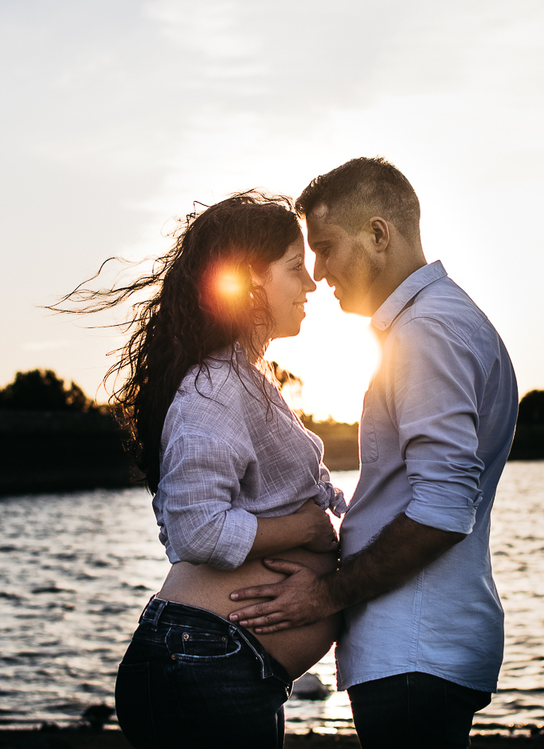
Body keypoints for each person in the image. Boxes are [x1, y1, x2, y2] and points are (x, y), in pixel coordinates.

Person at [228, 158, 519, 749]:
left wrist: (325, 594)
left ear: (379, 234)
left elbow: (443, 508)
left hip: (414, 652)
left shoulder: (427, 332)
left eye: (327, 247)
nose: (317, 272)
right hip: (419, 649)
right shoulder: (441, 322)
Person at [63, 192, 346, 748]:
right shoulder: (214, 387)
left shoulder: (242, 380)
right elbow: (196, 529)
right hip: (203, 660)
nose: (311, 284)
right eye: (295, 267)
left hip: (212, 660)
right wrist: (310, 530)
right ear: (250, 279)